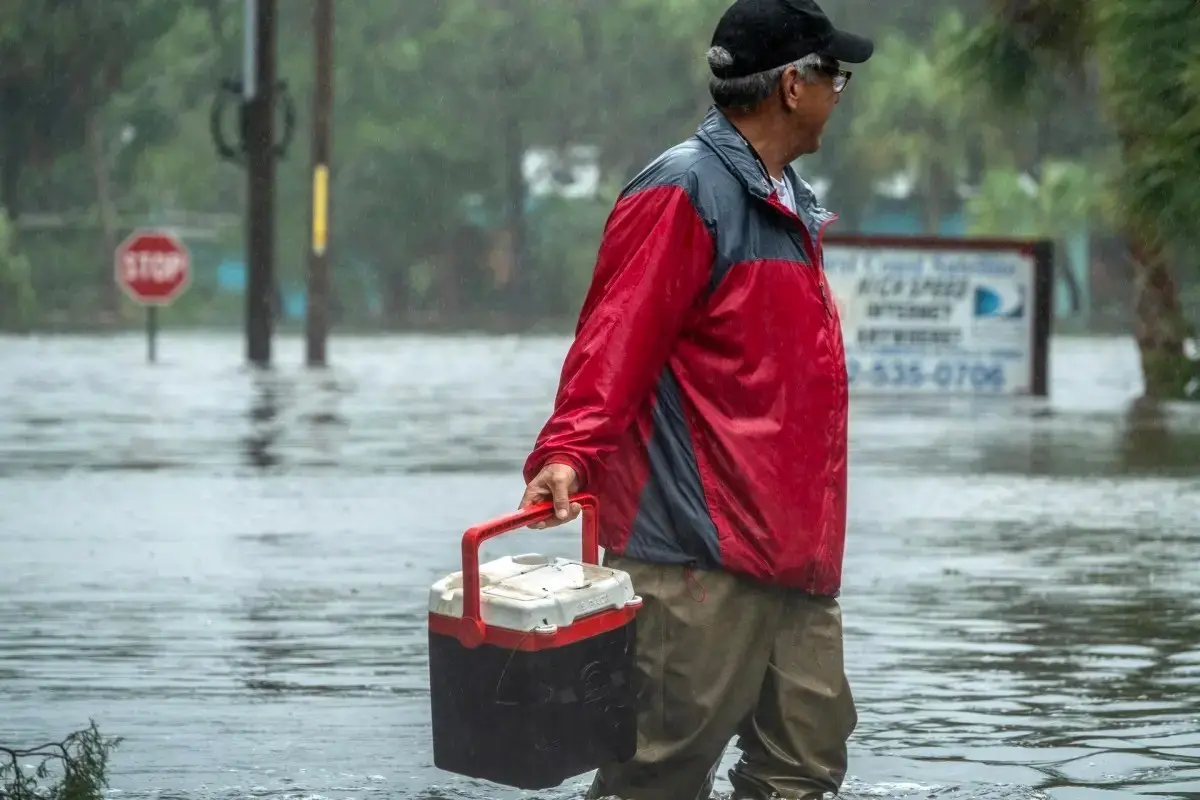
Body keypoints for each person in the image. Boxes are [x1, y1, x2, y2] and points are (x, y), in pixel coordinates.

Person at [518, 0, 873, 797]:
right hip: (695, 561)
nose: (839, 94)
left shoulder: (789, 201)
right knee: (656, 775)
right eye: (834, 77)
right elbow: (614, 342)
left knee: (804, 771)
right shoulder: (683, 190)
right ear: (792, 86)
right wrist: (567, 451)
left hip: (799, 564)